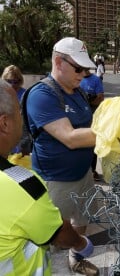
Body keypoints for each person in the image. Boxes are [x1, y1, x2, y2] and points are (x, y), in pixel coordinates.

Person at [0, 79, 96, 275]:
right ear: (4, 123)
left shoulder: (78, 93)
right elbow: (59, 232)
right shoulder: (21, 186)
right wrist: (81, 244)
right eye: (19, 112)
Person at [25, 37, 99, 275]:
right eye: (78, 68)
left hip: (83, 174)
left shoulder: (78, 92)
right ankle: (43, 270)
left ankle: (75, 258)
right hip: (56, 180)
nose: (83, 74)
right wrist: (112, 132)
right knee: (51, 234)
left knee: (82, 218)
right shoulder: (42, 95)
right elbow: (69, 137)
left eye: (85, 69)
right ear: (58, 62)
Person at [80, 69, 104, 181]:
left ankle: (92, 170)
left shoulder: (95, 80)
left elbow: (100, 97)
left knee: (92, 143)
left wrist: (89, 101)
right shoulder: (74, 79)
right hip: (78, 117)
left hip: (92, 117)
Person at [1, 65, 31, 155]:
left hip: (21, 135)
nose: (13, 85)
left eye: (16, 81)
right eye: (9, 81)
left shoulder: (26, 94)